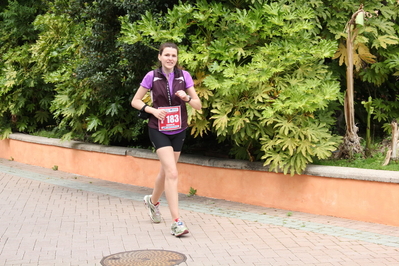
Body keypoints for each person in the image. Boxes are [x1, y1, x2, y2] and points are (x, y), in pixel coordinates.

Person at [131, 42, 201, 237]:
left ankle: (152, 202)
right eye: (167, 55)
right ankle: (177, 222)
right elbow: (135, 101)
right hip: (158, 129)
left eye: (174, 55)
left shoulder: (184, 76)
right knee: (172, 172)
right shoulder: (151, 76)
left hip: (178, 129)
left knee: (166, 172)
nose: (171, 58)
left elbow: (198, 105)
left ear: (177, 59)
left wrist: (186, 98)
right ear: (160, 57)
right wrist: (152, 110)